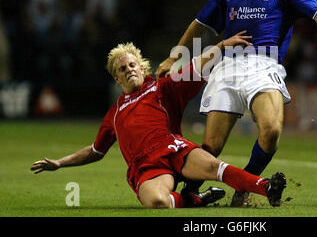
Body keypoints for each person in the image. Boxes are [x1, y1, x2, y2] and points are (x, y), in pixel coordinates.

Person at [155, 0, 317, 206]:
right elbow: (198, 24)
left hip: (264, 65)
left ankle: (245, 185)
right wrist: (172, 58)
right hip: (227, 67)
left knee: (271, 130)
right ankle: (183, 194)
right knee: (210, 148)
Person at [30, 31, 287, 209]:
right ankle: (197, 200)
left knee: (214, 167)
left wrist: (221, 47)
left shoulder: (163, 87)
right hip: (146, 168)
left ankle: (266, 187)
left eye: (133, 65)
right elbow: (96, 151)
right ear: (116, 79)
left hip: (172, 147)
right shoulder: (114, 113)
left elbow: (196, 66)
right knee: (158, 203)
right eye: (122, 69)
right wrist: (60, 163)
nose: (129, 70)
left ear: (142, 68)